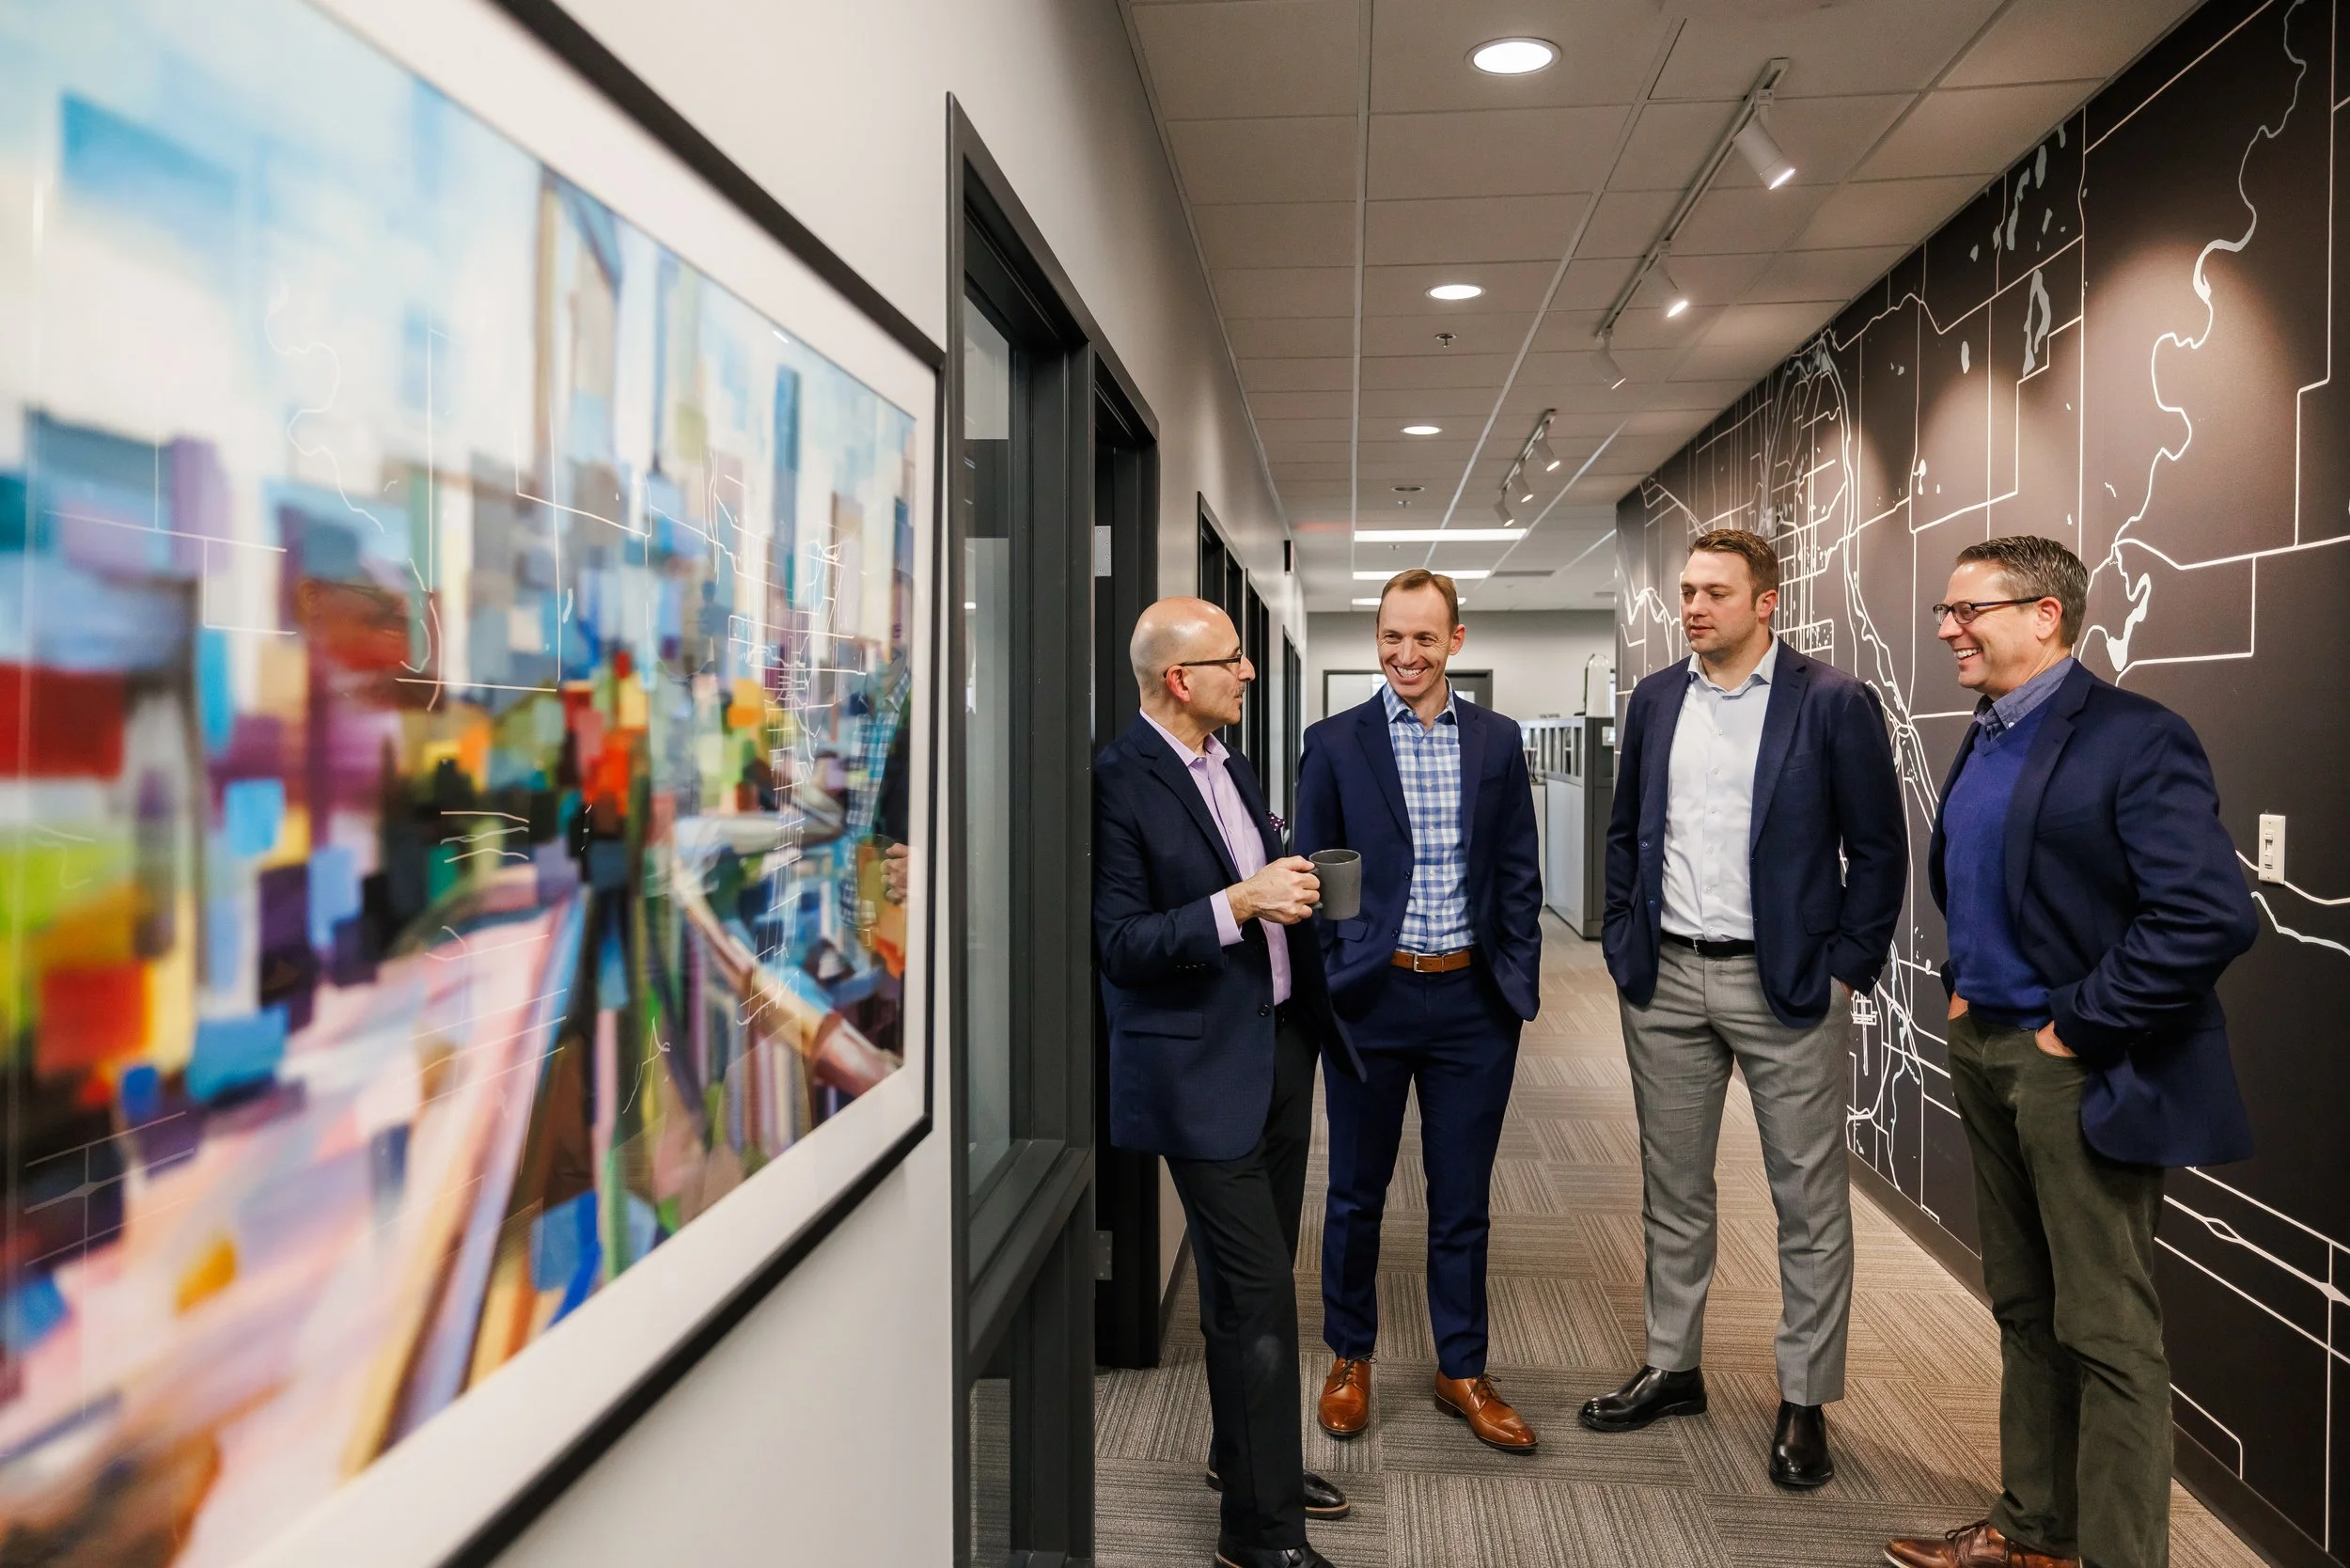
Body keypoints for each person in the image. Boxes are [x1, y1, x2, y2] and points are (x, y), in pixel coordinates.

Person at [1885, 538, 2258, 1568]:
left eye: (1968, 611)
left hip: (2076, 1067)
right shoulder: (1990, 730)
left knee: (2106, 1330)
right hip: (1987, 1046)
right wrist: (1968, 986)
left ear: (2045, 614)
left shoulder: (2135, 737)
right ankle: (2034, 1533)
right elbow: (1986, 874)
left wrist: (2074, 1028)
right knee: (2023, 1308)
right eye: (1944, 611)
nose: (1949, 628)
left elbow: (2208, 914)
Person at [1583, 526, 1905, 1487]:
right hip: (1667, 978)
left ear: (1767, 602)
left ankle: (1803, 1398)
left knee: (1806, 1201)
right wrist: (1619, 938)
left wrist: (1846, 967)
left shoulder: (1833, 703)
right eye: (1686, 590)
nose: (1693, 606)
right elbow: (1625, 829)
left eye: (1715, 592)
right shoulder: (1654, 700)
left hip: (1787, 984)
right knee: (1672, 1188)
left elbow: (1878, 851)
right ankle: (1671, 1366)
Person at [1094, 597, 1363, 1568]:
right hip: (1196, 1073)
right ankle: (1259, 1533)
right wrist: (1239, 900)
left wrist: (1285, 883)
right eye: (1232, 660)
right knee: (1256, 1304)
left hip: (1278, 1051)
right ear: (1180, 679)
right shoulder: (1120, 782)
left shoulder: (1230, 763)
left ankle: (1243, 1459)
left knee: (1251, 1286)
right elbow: (1119, 946)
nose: (1247, 672)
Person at [1294, 569, 1544, 1454]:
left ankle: (1462, 1367)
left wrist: (1517, 976)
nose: (1407, 654)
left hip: (1475, 1003)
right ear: (1376, 638)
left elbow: (1518, 870)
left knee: (1462, 1197)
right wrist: (1334, 979)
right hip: (1373, 999)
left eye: (1425, 639)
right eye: (1393, 638)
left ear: (1456, 642)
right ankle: (1350, 1355)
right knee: (1356, 1191)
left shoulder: (1497, 740)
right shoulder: (1333, 744)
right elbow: (1313, 877)